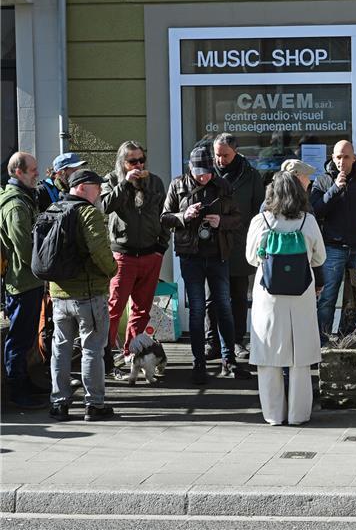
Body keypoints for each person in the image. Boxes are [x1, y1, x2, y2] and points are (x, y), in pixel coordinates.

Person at [161, 146, 249, 384]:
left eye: (208, 172)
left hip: (218, 254)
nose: (204, 177)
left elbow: (238, 218)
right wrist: (184, 216)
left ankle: (229, 361)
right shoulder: (178, 185)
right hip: (191, 257)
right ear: (190, 167)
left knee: (224, 307)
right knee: (198, 309)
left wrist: (221, 220)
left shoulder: (222, 185)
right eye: (200, 172)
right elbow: (165, 217)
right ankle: (198, 363)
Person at [245, 172, 326, 425]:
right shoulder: (308, 222)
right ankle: (298, 415)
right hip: (301, 293)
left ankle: (273, 415)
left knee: (268, 357)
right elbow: (319, 258)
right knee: (300, 357)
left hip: (269, 295)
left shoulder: (261, 221)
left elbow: (250, 257)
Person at [48, 170, 118, 422]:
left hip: (58, 293)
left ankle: (59, 403)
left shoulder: (53, 208)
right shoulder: (88, 213)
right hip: (88, 294)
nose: (99, 193)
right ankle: (94, 404)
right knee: (92, 349)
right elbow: (100, 250)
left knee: (61, 349)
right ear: (84, 187)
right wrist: (113, 270)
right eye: (97, 188)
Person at [100, 141, 169, 363]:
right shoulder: (111, 180)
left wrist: (162, 246)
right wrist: (125, 184)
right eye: (133, 161)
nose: (138, 165)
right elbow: (105, 206)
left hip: (151, 254)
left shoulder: (155, 182)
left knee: (142, 310)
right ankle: (105, 357)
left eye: (141, 160)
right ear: (122, 163)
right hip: (123, 254)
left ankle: (132, 354)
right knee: (114, 308)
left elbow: (165, 215)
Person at [204, 133, 264, 361]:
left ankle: (238, 340)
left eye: (225, 155)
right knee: (213, 297)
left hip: (239, 243)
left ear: (235, 152)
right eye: (217, 155)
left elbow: (259, 210)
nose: (220, 160)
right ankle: (213, 342)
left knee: (238, 296)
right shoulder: (207, 174)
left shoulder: (250, 175)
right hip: (211, 242)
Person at [310, 140, 356, 342]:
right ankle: (322, 339)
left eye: (346, 157)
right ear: (332, 157)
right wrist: (335, 189)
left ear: (354, 158)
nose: (341, 161)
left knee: (355, 297)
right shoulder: (322, 181)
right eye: (338, 157)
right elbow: (316, 211)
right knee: (328, 296)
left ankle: (346, 336)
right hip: (333, 247)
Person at [0, 152, 49, 409]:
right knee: (19, 338)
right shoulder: (16, 205)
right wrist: (45, 270)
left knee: (27, 336)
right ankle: (17, 390)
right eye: (33, 169)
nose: (37, 174)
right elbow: (24, 247)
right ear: (18, 171)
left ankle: (25, 381)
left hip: (28, 280)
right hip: (22, 281)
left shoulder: (23, 198)